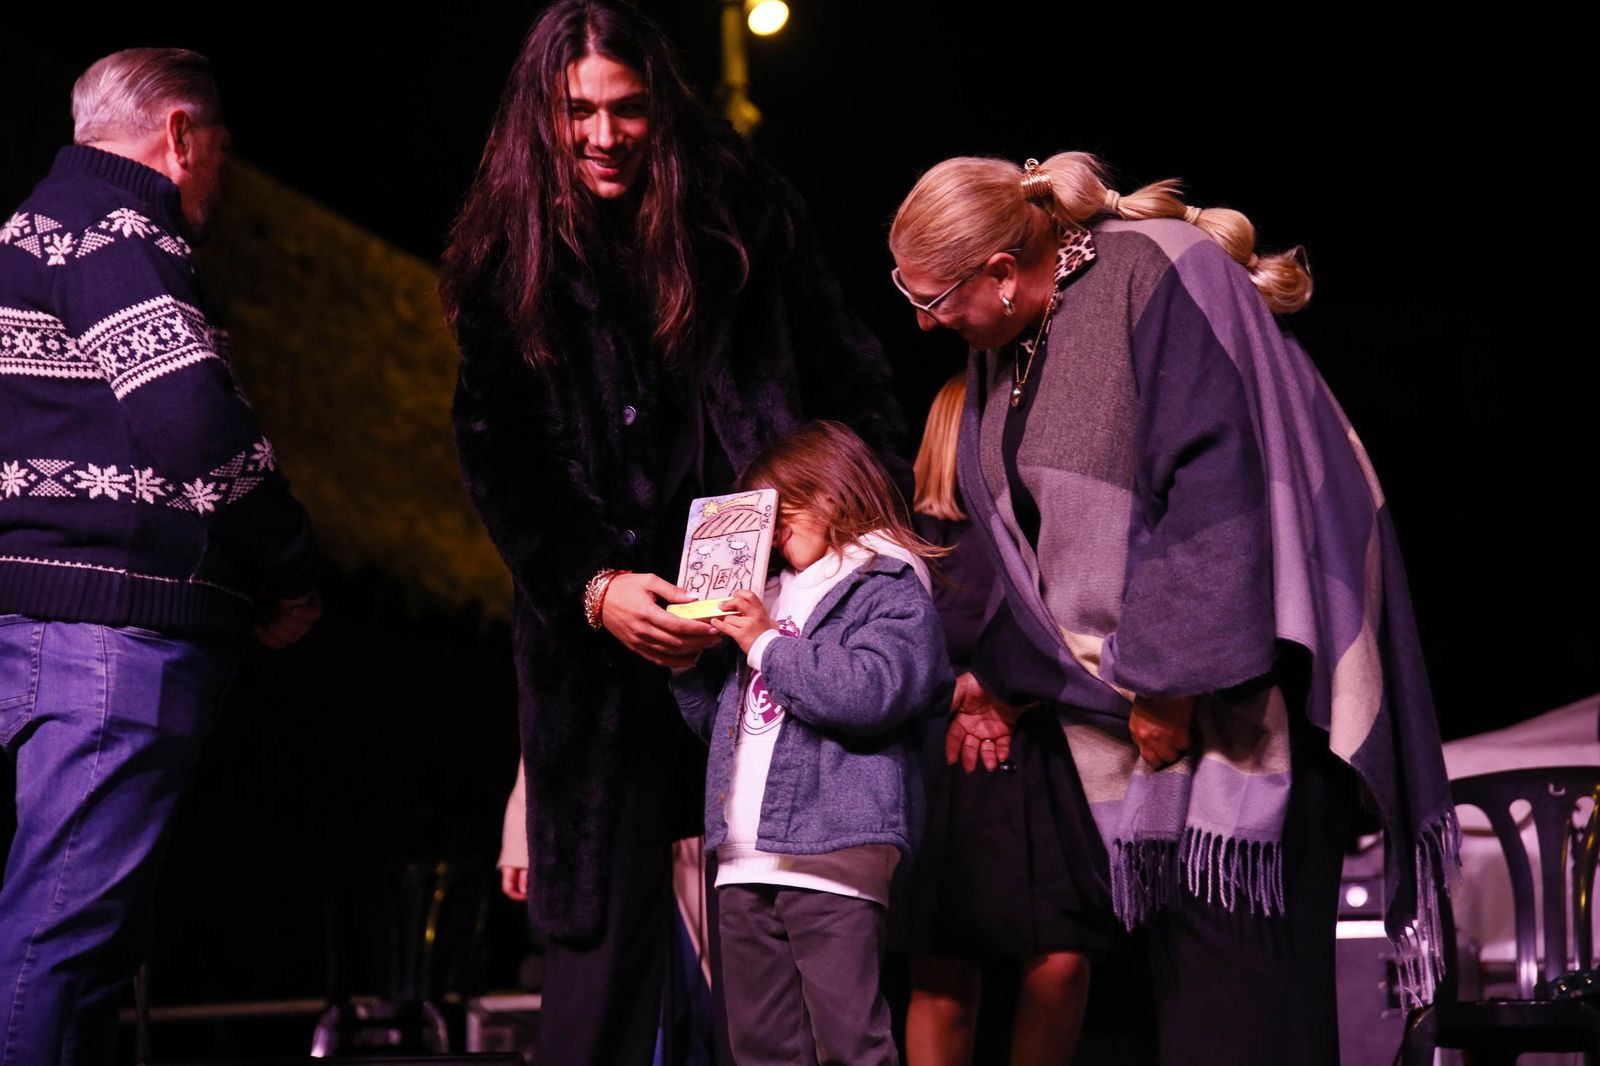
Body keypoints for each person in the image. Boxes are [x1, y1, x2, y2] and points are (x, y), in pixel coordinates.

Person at [887, 153, 1452, 1065]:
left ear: (999, 272)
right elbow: (1029, 557)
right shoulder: (1010, 352)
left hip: (1240, 714)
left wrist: (1170, 684)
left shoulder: (1153, 272)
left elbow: (1215, 489)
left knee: (1249, 1030)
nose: (923, 322)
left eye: (935, 296)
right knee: (1195, 1030)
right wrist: (1001, 677)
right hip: (1153, 745)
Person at [438, 3, 908, 1061]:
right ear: (541, 117)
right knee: (596, 982)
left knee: (786, 975)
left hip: (764, 641)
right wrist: (593, 584)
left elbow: (852, 386)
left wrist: (841, 551)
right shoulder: (502, 253)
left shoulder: (746, 213)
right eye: (577, 112)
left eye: (627, 109)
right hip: (600, 659)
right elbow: (499, 455)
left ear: (660, 103)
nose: (603, 135)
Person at [0, 48, 320, 1065]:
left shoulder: (27, 229)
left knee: (73, 943)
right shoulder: (119, 226)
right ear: (183, 135)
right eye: (218, 151)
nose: (217, 177)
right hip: (110, 635)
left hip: (46, 626)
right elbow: (191, 420)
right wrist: (291, 567)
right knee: (63, 940)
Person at [670, 420, 951, 1066]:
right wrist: (687, 665)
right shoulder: (767, 594)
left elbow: (870, 691)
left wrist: (766, 642)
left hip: (834, 850)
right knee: (762, 1047)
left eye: (781, 504)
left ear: (829, 493)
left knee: (849, 1042)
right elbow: (730, 727)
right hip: (742, 857)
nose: (772, 527)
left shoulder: (886, 586)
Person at [900, 375, 1105, 1066]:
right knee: (944, 969)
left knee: (1061, 958)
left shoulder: (1042, 530)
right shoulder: (913, 541)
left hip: (1041, 756)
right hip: (948, 766)